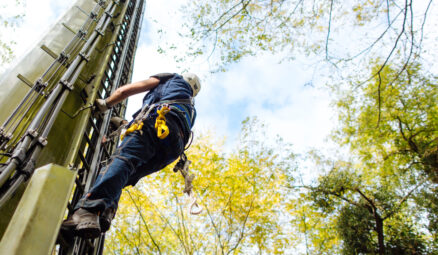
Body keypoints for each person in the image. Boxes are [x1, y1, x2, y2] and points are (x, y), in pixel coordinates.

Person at [61, 72, 201, 239]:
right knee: (126, 172)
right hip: (173, 148)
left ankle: (88, 211)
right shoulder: (190, 109)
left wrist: (106, 103)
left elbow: (125, 91)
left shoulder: (170, 79)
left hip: (155, 123)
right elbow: (168, 126)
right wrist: (123, 124)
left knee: (123, 161)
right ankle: (105, 211)